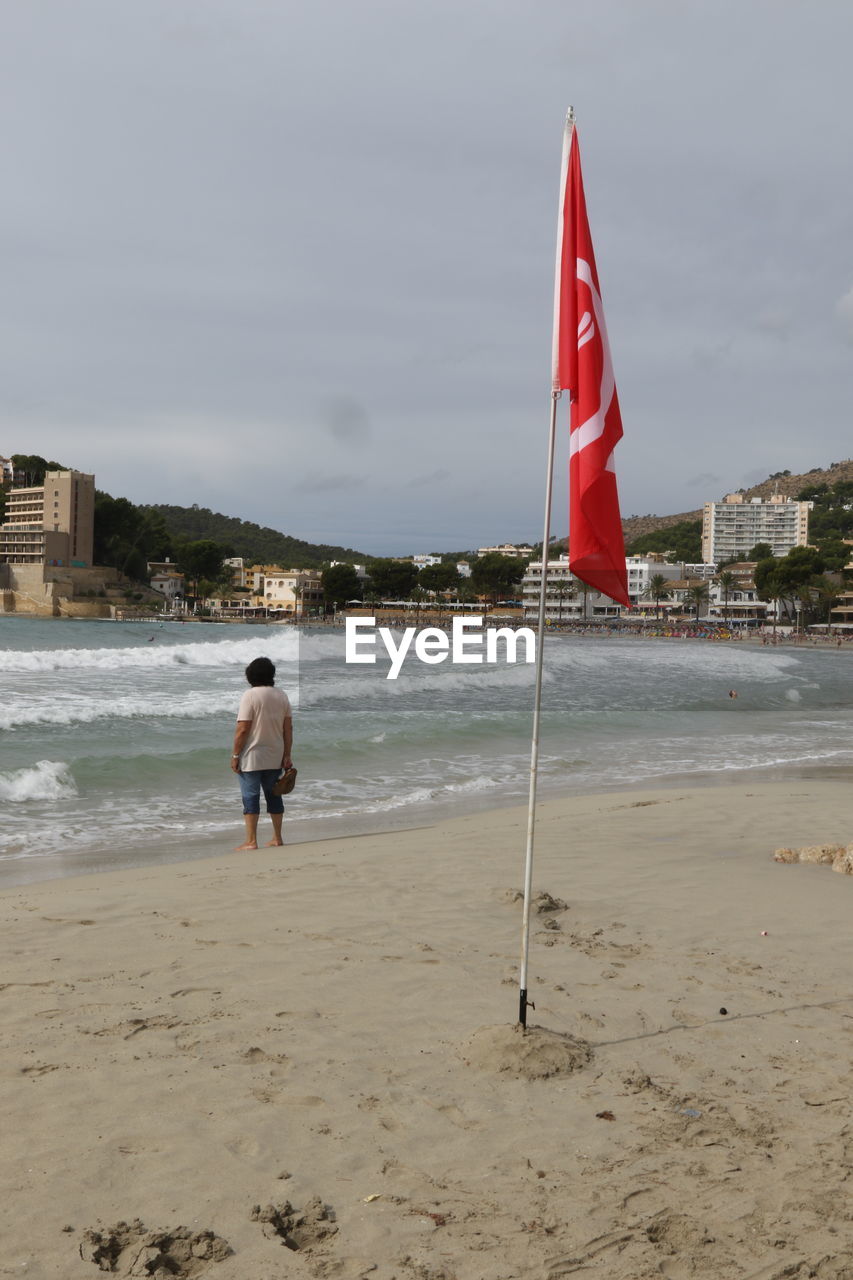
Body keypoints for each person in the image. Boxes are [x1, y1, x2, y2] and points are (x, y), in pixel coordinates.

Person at [230, 656, 293, 850]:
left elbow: (243, 728)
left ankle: (251, 841)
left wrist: (235, 755)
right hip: (275, 754)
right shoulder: (281, 695)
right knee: (274, 795)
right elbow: (288, 729)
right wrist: (287, 755)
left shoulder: (250, 696)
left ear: (251, 675)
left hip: (252, 756)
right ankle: (277, 837)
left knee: (250, 796)